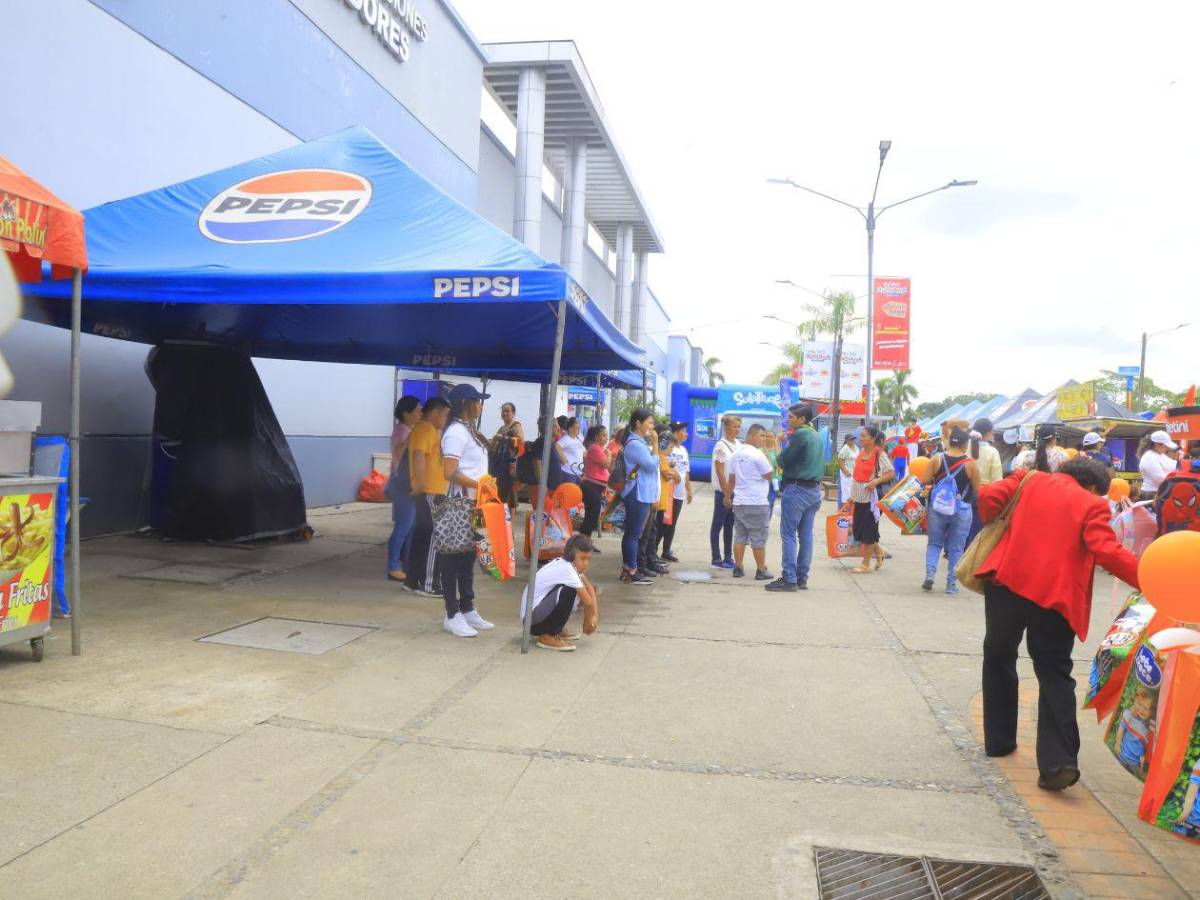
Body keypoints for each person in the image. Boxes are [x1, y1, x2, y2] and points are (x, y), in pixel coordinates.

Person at [976, 456, 1140, 791]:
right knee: (1054, 673)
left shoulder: (1028, 479)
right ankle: (1057, 763)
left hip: (1007, 582)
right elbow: (1105, 550)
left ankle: (999, 741)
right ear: (1094, 486)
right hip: (1055, 597)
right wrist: (1146, 577)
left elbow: (988, 497)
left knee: (999, 656)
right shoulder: (1093, 504)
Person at [439, 384, 495, 638]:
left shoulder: (469, 430)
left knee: (468, 558)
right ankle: (452, 614)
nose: (480, 405)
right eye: (477, 401)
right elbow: (449, 472)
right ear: (465, 403)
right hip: (461, 503)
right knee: (452, 558)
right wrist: (478, 484)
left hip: (476, 504)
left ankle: (467, 607)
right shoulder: (455, 433)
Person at [768, 403, 823, 592]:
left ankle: (789, 578)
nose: (787, 420)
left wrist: (776, 442)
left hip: (797, 489)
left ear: (802, 419)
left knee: (789, 534)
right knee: (806, 535)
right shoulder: (815, 434)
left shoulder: (800, 434)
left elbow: (781, 461)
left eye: (791, 417)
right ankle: (801, 578)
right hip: (814, 491)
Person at [919, 426, 981, 594]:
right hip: (961, 509)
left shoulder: (937, 459)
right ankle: (951, 585)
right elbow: (978, 489)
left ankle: (930, 575)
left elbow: (924, 480)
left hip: (937, 507)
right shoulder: (971, 464)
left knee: (934, 543)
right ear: (965, 443)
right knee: (956, 548)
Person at [519, 533, 600, 652]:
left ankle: (556, 630)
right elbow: (588, 602)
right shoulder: (567, 569)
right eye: (582, 558)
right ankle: (548, 636)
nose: (586, 563)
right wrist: (587, 622)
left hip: (533, 618)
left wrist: (594, 619)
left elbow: (590, 589)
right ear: (571, 556)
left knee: (578, 589)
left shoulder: (568, 565)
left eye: (588, 558)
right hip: (532, 622)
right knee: (569, 590)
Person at [405, 395, 450, 597]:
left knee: (422, 535)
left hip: (429, 490)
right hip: (430, 491)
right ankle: (429, 583)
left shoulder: (426, 430)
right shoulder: (426, 430)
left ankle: (412, 580)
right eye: (445, 414)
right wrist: (421, 482)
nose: (446, 419)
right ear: (436, 412)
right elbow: (418, 455)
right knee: (434, 536)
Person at [725, 424, 775, 580]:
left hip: (739, 501)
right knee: (758, 537)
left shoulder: (735, 454)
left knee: (740, 536)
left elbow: (732, 478)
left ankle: (738, 568)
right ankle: (761, 570)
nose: (764, 439)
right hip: (756, 502)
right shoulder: (757, 454)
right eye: (761, 436)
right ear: (751, 435)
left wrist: (727, 496)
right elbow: (769, 475)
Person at [619, 408, 660, 586]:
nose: (652, 426)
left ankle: (629, 569)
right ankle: (631, 571)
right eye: (649, 422)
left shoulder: (639, 442)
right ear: (638, 423)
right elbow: (651, 466)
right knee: (634, 534)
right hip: (637, 493)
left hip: (640, 492)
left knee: (632, 534)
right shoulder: (635, 444)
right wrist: (656, 445)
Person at [848, 426, 894, 574]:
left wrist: (876, 481)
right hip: (858, 497)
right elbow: (856, 476)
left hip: (871, 499)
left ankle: (865, 564)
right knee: (859, 531)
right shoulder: (861, 453)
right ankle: (879, 552)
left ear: (873, 439)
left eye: (864, 436)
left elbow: (891, 473)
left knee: (869, 531)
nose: (860, 439)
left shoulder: (879, 454)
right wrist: (851, 496)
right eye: (860, 436)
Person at [387, 396, 422, 584]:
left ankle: (407, 565)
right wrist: (412, 437)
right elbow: (399, 453)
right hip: (403, 484)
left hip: (409, 483)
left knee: (409, 528)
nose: (420, 413)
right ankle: (393, 566)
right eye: (417, 410)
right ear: (406, 413)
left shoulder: (408, 429)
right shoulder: (402, 431)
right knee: (403, 527)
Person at [709, 414, 741, 570]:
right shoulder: (721, 446)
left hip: (735, 491)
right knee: (718, 524)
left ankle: (729, 556)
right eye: (734, 426)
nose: (736, 429)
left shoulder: (738, 444)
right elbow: (720, 472)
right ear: (726, 427)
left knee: (730, 525)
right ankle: (716, 557)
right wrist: (727, 494)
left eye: (738, 426)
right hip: (723, 492)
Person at [658, 422, 692, 562]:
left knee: (672, 523)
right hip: (668, 491)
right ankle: (652, 551)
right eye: (684, 431)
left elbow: (686, 471)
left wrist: (688, 490)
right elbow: (662, 465)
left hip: (679, 493)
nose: (686, 434)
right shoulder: (668, 448)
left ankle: (666, 551)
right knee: (663, 523)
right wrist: (673, 472)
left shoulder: (683, 450)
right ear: (676, 433)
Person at [491, 402, 525, 509]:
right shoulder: (502, 428)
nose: (505, 413)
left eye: (507, 411)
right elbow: (494, 444)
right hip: (500, 465)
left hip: (509, 465)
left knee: (510, 495)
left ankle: (509, 524)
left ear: (513, 413)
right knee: (501, 493)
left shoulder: (516, 426)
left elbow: (521, 441)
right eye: (503, 411)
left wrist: (502, 438)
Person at [580, 425, 611, 540]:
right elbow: (606, 464)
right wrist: (609, 455)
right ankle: (583, 541)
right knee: (591, 517)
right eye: (603, 435)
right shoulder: (595, 448)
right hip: (592, 486)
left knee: (592, 516)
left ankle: (586, 542)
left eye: (606, 436)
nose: (606, 438)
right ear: (596, 436)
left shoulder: (598, 449)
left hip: (596, 487)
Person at [528, 418, 567, 506]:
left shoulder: (551, 443)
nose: (559, 428)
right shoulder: (541, 442)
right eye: (555, 426)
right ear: (547, 428)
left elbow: (564, 461)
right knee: (544, 516)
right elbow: (536, 463)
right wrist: (542, 484)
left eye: (558, 425)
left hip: (553, 488)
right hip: (546, 489)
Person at [1138, 430, 1179, 500]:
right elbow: (1159, 478)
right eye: (1165, 446)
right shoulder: (1149, 457)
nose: (1167, 448)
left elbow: (1175, 465)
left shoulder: (1160, 455)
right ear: (1157, 444)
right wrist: (1176, 477)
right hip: (1151, 494)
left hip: (1161, 492)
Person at [558, 416, 585, 483]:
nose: (579, 430)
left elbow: (585, 453)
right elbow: (557, 446)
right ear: (570, 429)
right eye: (576, 428)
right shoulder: (565, 439)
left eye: (579, 428)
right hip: (568, 472)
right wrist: (563, 459)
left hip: (578, 472)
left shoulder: (577, 440)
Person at [837, 433, 858, 505]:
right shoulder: (845, 448)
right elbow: (840, 459)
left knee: (853, 491)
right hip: (847, 472)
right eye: (851, 439)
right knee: (847, 491)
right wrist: (845, 471)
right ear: (846, 440)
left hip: (854, 473)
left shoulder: (856, 447)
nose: (852, 440)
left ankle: (851, 510)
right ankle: (844, 509)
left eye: (853, 439)